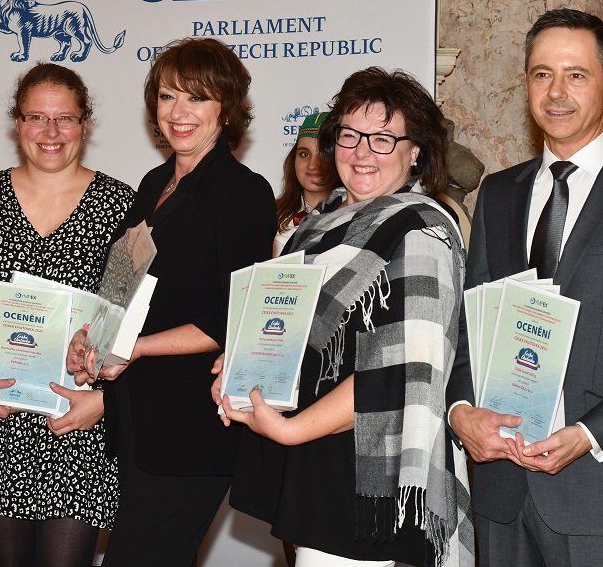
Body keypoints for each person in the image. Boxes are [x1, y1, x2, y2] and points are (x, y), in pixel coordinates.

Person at [215, 67, 474, 567]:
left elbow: (406, 372)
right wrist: (242, 365)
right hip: (312, 466)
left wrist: (292, 430)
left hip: (370, 481)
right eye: (350, 135)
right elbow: (293, 338)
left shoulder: (421, 231)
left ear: (416, 152)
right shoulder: (313, 230)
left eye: (383, 139)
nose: (362, 152)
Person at [68, 37, 276, 566]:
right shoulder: (154, 182)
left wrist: (136, 347)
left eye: (197, 98)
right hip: (137, 422)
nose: (178, 112)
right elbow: (120, 286)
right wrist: (91, 338)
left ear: (226, 108)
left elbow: (234, 316)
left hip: (193, 429)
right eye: (167, 96)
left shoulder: (243, 191)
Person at [446, 8, 603, 566]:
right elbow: (469, 328)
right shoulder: (498, 194)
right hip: (501, 496)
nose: (556, 92)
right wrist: (460, 410)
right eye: (542, 74)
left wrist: (591, 433)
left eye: (576, 75)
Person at [0, 62, 134, 567]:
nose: (50, 132)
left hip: (76, 423)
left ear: (84, 124)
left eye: (65, 118)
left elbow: (132, 324)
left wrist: (106, 401)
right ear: (17, 122)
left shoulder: (121, 205)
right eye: (37, 117)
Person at [274, 111, 337, 256]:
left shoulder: (354, 215)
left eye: (323, 154)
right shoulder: (271, 213)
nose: (313, 165)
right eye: (304, 154)